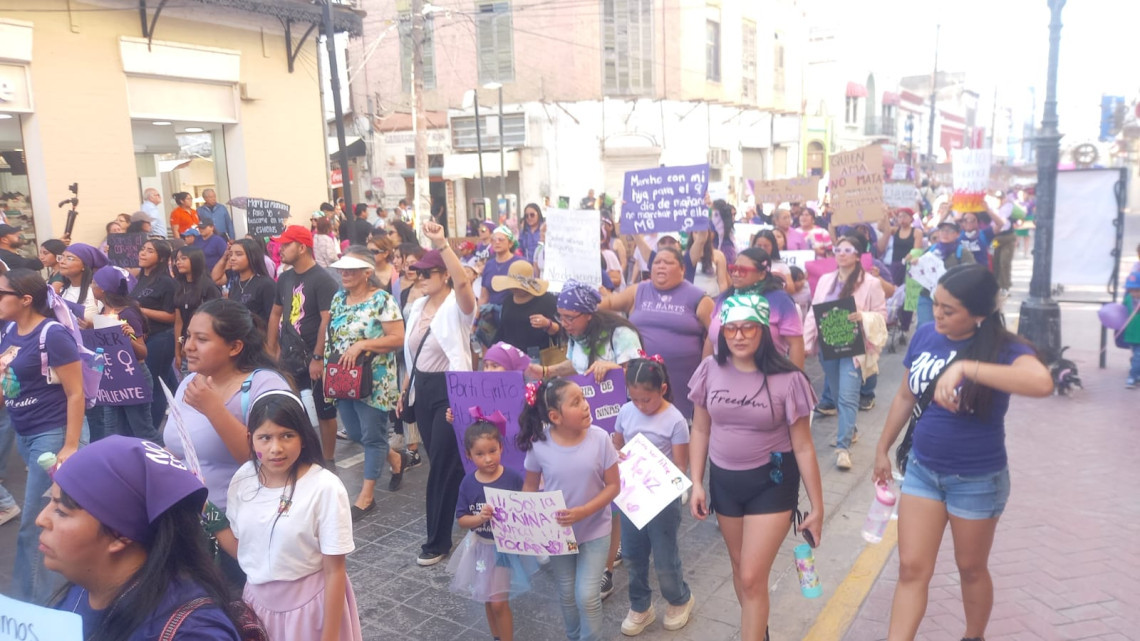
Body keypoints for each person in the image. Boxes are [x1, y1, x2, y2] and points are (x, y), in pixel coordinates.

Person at [872, 265, 1053, 641]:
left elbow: (1041, 383)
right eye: (935, 304)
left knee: (970, 568)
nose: (937, 314)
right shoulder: (926, 334)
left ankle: (974, 635)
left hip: (976, 481)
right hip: (923, 471)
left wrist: (968, 368)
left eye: (948, 310)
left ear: (979, 314)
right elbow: (906, 395)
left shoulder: (1004, 348)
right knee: (911, 568)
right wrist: (882, 448)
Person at [688, 293, 824, 641]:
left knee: (751, 575)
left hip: (772, 483)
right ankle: (758, 631)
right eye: (731, 328)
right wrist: (697, 483)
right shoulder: (709, 369)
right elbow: (701, 428)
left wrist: (818, 507)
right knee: (741, 570)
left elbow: (804, 445)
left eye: (748, 327)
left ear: (764, 330)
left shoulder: (789, 379)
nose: (738, 335)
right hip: (724, 482)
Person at [46, 436, 243, 640]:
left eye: (61, 511)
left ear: (119, 533)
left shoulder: (191, 633)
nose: (41, 520)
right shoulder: (89, 585)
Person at [220, 390, 362, 640]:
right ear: (250, 439)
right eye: (265, 438)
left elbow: (335, 570)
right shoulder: (243, 479)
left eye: (287, 435)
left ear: (304, 437)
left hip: (310, 610)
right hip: (257, 606)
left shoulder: (325, 487)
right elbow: (244, 548)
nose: (276, 448)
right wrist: (207, 515)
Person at [0, 269, 89, 603]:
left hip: (52, 436)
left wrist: (70, 445)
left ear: (24, 300)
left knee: (36, 525)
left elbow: (76, 394)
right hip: (26, 434)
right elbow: (10, 385)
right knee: (52, 519)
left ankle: (33, 609)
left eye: (1, 293)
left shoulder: (52, 335)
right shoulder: (9, 330)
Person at [165, 298, 291, 514]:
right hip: (188, 517)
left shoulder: (264, 385)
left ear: (234, 347)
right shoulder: (189, 381)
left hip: (236, 523)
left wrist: (213, 409)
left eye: (202, 339)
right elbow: (179, 447)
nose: (188, 346)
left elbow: (267, 457)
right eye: (187, 337)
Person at [398, 222, 477, 566]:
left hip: (451, 389)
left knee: (442, 466)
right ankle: (475, 511)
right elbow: (412, 355)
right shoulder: (416, 307)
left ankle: (437, 541)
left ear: (444, 274)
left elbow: (463, 281)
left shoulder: (459, 308)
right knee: (448, 462)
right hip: (423, 389)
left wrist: (442, 243)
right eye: (417, 273)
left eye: (428, 272)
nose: (421, 277)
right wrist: (405, 389)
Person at [518, 378, 621, 641]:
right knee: (566, 593)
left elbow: (613, 487)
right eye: (576, 402)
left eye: (584, 398)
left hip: (596, 529)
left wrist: (584, 511)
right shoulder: (539, 446)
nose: (586, 406)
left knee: (586, 596)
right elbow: (529, 489)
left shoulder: (600, 439)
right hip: (559, 535)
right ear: (555, 416)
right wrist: (519, 522)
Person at [611, 356, 695, 635]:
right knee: (634, 554)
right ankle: (640, 606)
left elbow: (681, 466)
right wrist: (618, 457)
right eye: (635, 399)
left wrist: (661, 473)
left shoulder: (675, 420)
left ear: (662, 388)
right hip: (632, 495)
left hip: (662, 500)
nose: (641, 406)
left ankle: (679, 598)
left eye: (646, 399)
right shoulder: (626, 412)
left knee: (664, 556)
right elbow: (617, 444)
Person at [325, 248, 407, 510]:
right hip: (343, 378)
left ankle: (367, 496)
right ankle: (394, 457)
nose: (344, 274)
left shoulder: (382, 300)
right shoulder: (338, 298)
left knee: (372, 436)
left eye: (350, 269)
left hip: (375, 380)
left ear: (367, 273)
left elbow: (398, 339)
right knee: (357, 432)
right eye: (342, 269)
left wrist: (363, 345)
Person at [449, 417, 539, 641]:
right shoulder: (468, 483)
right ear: (469, 455)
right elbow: (461, 519)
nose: (488, 458)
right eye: (480, 454)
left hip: (504, 549)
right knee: (487, 598)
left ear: (501, 447)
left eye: (492, 450)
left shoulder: (511, 478)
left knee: (499, 601)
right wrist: (479, 518)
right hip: (481, 547)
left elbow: (526, 507)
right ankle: (497, 636)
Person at [803, 236, 888, 470]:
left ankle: (843, 448)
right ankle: (852, 430)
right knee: (839, 392)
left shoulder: (870, 283)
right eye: (837, 249)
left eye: (847, 250)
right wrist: (806, 341)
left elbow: (882, 314)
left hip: (854, 349)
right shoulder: (824, 280)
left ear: (858, 255)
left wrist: (864, 316)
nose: (841, 253)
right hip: (827, 346)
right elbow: (813, 312)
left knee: (848, 397)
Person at [604, 247, 713, 421]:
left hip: (682, 384)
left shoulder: (699, 297)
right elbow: (608, 304)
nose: (661, 266)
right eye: (657, 262)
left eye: (668, 262)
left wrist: (707, 368)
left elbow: (717, 334)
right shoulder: (638, 290)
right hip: (640, 380)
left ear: (682, 269)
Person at [265, 225, 340, 464]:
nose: (280, 249)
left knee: (324, 411)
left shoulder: (322, 279)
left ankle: (327, 460)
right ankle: (307, 455)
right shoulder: (285, 277)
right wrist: (271, 349)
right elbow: (275, 314)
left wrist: (318, 357)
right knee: (295, 409)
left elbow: (326, 321)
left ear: (302, 247)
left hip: (314, 357)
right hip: (289, 356)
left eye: (286, 245)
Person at [90, 265, 158, 443]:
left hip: (133, 377)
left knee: (142, 430)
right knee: (114, 432)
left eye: (94, 283)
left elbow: (143, 352)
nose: (91, 286)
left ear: (103, 290)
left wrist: (127, 337)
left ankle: (166, 461)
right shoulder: (102, 312)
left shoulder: (128, 313)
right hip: (113, 379)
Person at [705, 247, 805, 369]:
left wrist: (797, 380)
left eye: (742, 270)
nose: (735, 274)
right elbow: (710, 340)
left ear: (762, 274)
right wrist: (705, 373)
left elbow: (796, 343)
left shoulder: (780, 300)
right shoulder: (725, 297)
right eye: (733, 269)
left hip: (769, 374)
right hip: (724, 375)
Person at [527, 279, 642, 381]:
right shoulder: (576, 333)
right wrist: (546, 371)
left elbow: (639, 373)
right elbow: (578, 364)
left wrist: (614, 370)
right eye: (560, 317)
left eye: (569, 318)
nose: (563, 323)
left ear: (588, 314)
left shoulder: (622, 334)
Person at [131, 239, 179, 429]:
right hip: (146, 335)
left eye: (149, 251)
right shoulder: (140, 278)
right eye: (142, 249)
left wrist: (140, 310)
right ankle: (183, 415)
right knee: (166, 380)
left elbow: (172, 316)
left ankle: (152, 429)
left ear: (161, 258)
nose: (143, 253)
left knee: (154, 384)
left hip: (162, 337)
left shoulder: (167, 283)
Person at [490, 260, 560, 358]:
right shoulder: (508, 300)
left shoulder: (546, 300)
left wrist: (548, 324)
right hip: (510, 358)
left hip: (537, 358)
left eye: (518, 286)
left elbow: (562, 330)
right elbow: (502, 330)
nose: (514, 289)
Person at [914, 220, 975, 328]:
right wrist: (915, 263)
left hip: (952, 299)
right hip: (928, 296)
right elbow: (920, 271)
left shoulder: (962, 253)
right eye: (942, 230)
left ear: (957, 234)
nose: (945, 233)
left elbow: (972, 275)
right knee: (925, 327)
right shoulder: (930, 250)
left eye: (950, 230)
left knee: (948, 328)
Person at [173, 246, 222, 370]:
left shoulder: (208, 287)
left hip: (205, 347)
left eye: (183, 258)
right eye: (177, 259)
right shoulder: (180, 287)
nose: (178, 262)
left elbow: (216, 320)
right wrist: (178, 349)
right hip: (186, 346)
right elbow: (179, 323)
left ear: (195, 260)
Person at [212, 238, 276, 325]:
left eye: (238, 254)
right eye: (230, 255)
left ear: (252, 256)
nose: (232, 258)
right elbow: (216, 279)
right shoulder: (235, 281)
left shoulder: (266, 284)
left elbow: (274, 318)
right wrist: (224, 257)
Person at [57, 242, 106, 324]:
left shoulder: (96, 292)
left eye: (69, 258)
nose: (62, 261)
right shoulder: (61, 291)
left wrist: (92, 326)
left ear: (84, 265)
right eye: (61, 257)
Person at [479, 226, 524, 308]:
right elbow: (484, 296)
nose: (497, 242)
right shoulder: (489, 265)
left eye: (501, 239)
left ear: (510, 243)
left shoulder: (520, 263)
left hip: (513, 312)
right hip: (491, 315)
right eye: (494, 240)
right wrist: (477, 318)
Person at [683, 229, 729, 297]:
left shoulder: (718, 255)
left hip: (713, 298)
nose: (699, 236)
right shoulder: (685, 255)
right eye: (696, 232)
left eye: (702, 233)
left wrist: (721, 301)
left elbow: (722, 283)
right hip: (691, 299)